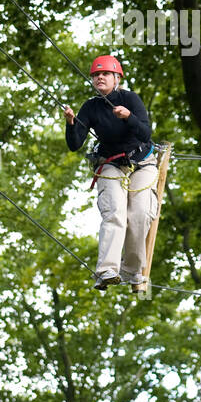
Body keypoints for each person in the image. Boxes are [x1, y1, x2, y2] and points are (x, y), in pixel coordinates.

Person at [63, 55, 158, 290]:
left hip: (141, 162)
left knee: (139, 215)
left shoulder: (130, 99)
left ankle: (132, 270)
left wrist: (129, 117)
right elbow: (75, 144)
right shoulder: (91, 107)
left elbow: (146, 133)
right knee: (114, 211)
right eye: (96, 75)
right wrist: (71, 122)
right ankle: (107, 269)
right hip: (111, 163)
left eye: (105, 74)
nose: (100, 78)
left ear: (117, 78)